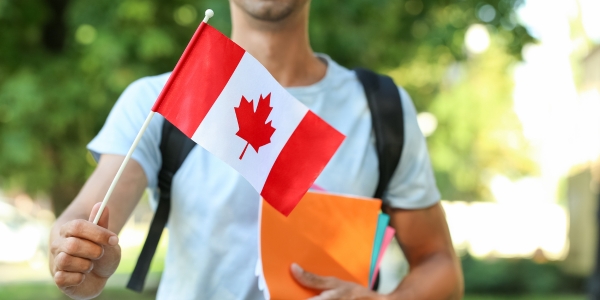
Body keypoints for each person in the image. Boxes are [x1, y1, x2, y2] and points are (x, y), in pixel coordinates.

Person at [49, 0, 463, 299]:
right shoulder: (159, 99)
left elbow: (439, 265)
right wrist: (75, 252)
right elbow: (90, 215)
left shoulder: (382, 108)